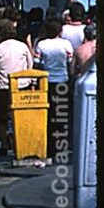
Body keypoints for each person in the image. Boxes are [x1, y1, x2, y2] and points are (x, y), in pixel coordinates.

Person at [33, 15, 74, 156]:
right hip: (62, 81)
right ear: (60, 31)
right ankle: (61, 145)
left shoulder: (41, 44)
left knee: (48, 115)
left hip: (46, 81)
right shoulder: (66, 44)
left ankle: (49, 146)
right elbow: (70, 63)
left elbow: (37, 64)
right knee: (62, 114)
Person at [0, 18, 33, 154]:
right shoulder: (22, 46)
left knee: (2, 118)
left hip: (3, 86)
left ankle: (4, 143)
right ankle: (18, 143)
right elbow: (30, 64)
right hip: (22, 85)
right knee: (20, 117)